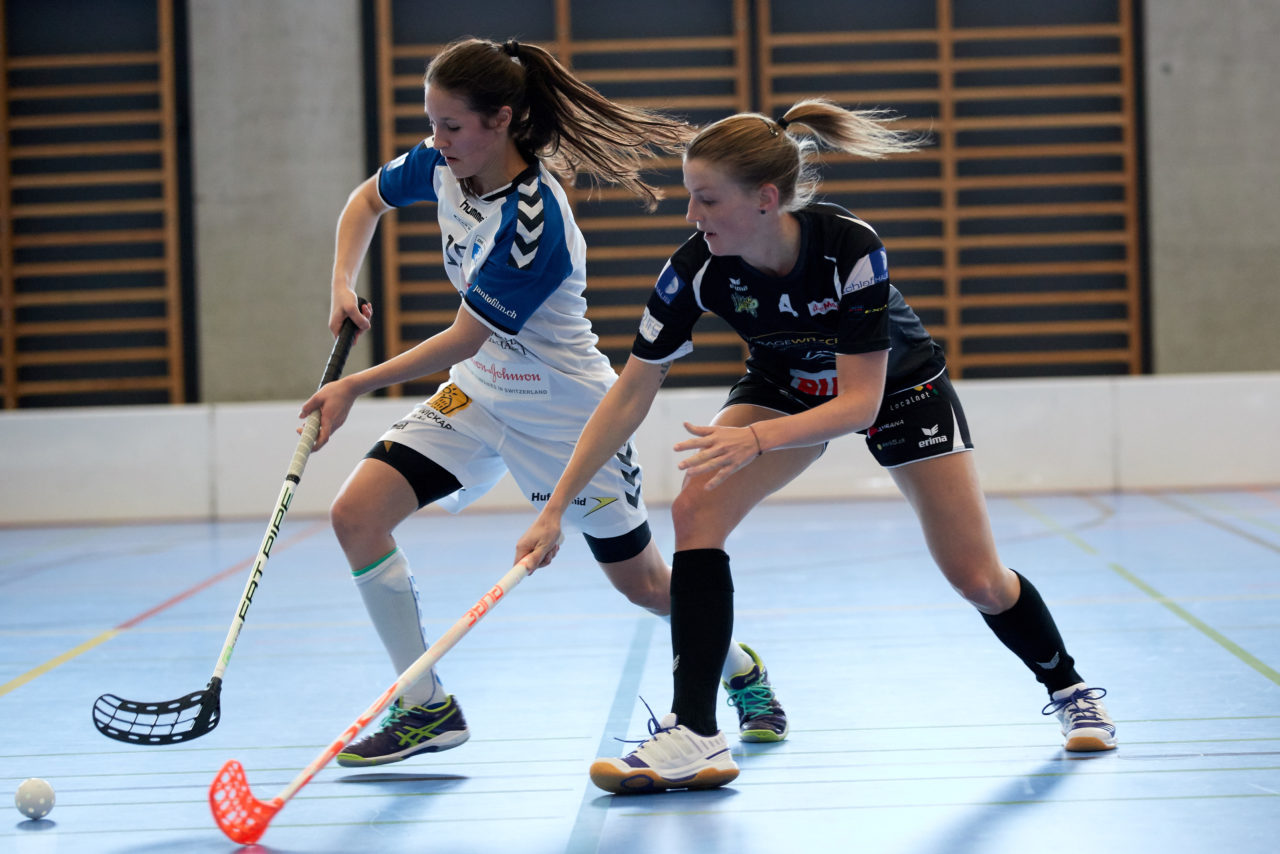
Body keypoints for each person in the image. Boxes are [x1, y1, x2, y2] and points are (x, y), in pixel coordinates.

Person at [516, 98, 1117, 794]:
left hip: (900, 389)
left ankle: (1069, 687)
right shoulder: (696, 269)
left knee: (977, 579)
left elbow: (860, 403)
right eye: (690, 197)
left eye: (707, 199)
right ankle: (697, 733)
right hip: (785, 384)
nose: (691, 215)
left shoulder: (849, 248)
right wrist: (554, 509)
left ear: (766, 199)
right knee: (696, 511)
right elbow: (629, 392)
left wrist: (756, 438)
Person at [299, 37, 788, 768]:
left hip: (565, 414)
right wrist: (343, 281)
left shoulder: (534, 221)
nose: (436, 140)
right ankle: (424, 705)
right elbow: (365, 200)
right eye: (431, 124)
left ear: (500, 120)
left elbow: (464, 335)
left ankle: (740, 670)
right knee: (357, 516)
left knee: (647, 587)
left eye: (451, 126)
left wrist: (352, 384)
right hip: (478, 394)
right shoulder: (440, 163)